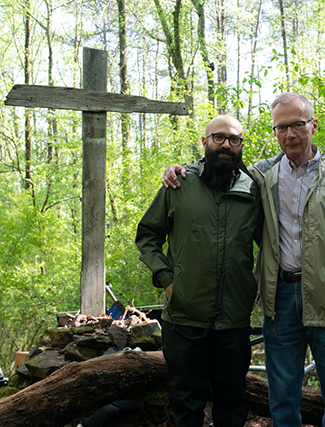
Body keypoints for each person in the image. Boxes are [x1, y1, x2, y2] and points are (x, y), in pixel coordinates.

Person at [162, 93, 325, 427]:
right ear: (274, 132)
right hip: (280, 299)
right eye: (281, 127)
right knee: (282, 397)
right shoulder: (261, 176)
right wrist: (179, 170)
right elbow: (218, 169)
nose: (290, 134)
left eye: (297, 125)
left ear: (313, 126)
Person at [136, 115, 262, 427]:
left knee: (232, 404)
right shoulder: (179, 184)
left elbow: (275, 245)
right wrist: (167, 281)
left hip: (234, 321)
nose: (226, 145)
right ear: (204, 142)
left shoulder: (253, 192)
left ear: (241, 146)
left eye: (234, 140)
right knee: (186, 406)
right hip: (184, 319)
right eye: (218, 138)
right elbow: (148, 236)